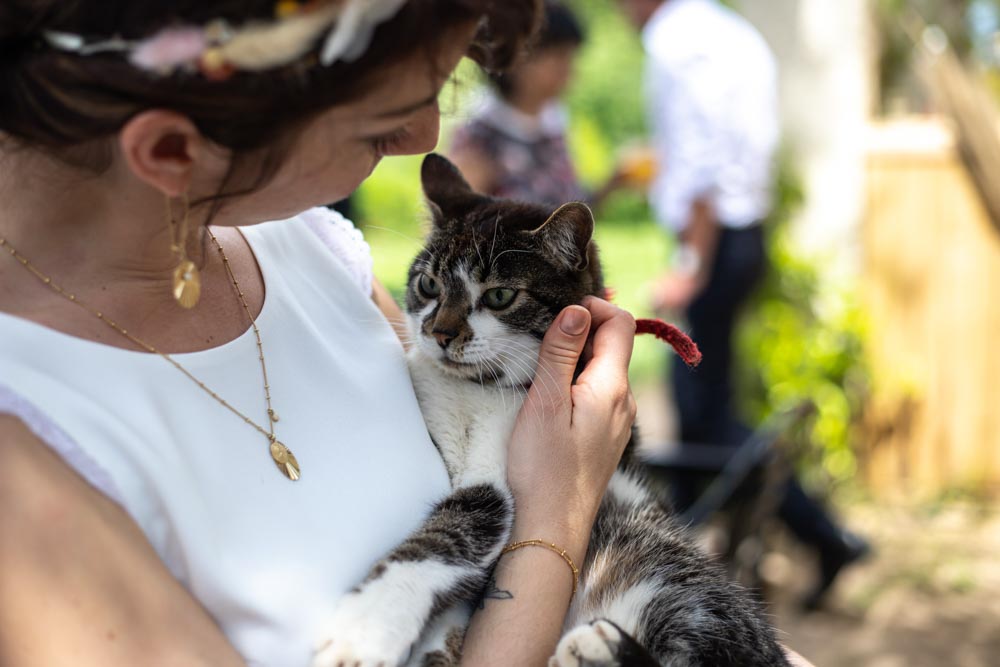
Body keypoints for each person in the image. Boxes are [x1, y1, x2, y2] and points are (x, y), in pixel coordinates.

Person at [0, 2, 641, 665]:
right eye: (380, 125)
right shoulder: (21, 469)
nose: (424, 138)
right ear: (170, 150)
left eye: (437, 93)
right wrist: (559, 512)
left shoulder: (314, 250)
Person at [618, 0, 868, 609]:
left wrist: (691, 263)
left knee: (701, 418)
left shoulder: (679, 39)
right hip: (738, 235)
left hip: (715, 244)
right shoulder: (722, 29)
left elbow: (702, 159)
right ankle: (800, 540)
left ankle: (812, 536)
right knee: (707, 412)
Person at [448, 1, 626, 207]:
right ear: (516, 57)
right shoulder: (480, 134)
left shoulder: (552, 122)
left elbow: (564, 206)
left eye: (571, 58)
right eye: (558, 58)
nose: (568, 72)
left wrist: (614, 182)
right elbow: (455, 221)